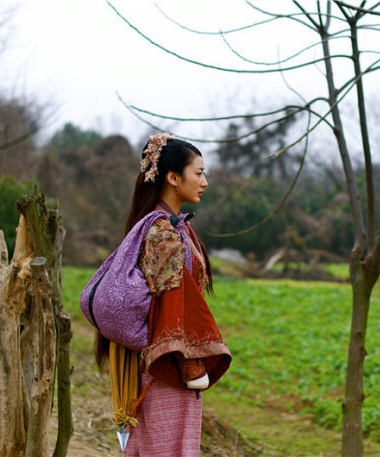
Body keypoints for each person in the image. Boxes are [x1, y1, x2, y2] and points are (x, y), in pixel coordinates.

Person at [93, 132, 231, 457]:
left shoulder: (169, 226)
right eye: (198, 172)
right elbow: (172, 301)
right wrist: (189, 364)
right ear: (172, 177)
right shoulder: (163, 232)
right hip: (167, 368)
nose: (205, 181)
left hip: (163, 364)